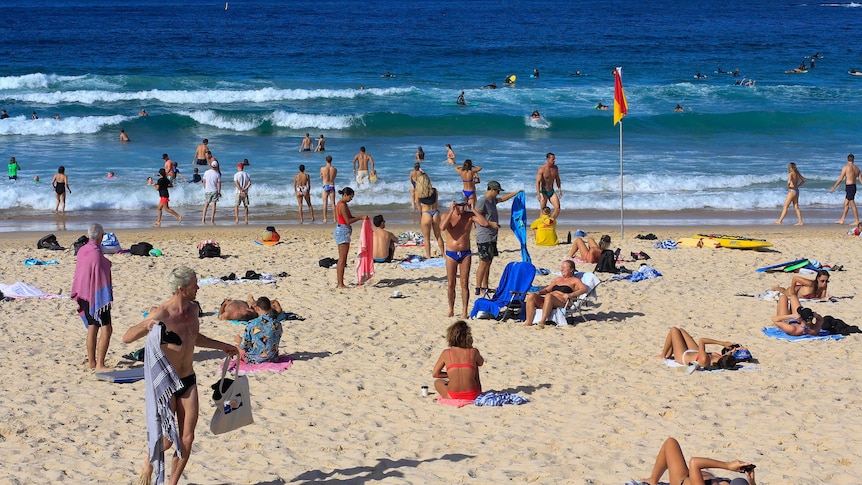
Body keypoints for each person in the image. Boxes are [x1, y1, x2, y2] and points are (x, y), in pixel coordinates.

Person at [122, 266, 238, 485]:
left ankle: (172, 483)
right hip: (167, 383)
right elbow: (126, 337)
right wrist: (146, 325)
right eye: (195, 283)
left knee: (187, 437)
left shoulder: (194, 310)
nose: (198, 286)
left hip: (188, 380)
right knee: (166, 440)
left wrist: (222, 345)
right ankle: (149, 462)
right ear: (182, 288)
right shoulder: (162, 313)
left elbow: (193, 336)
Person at [70, 223, 114, 371]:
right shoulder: (96, 253)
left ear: (88, 235)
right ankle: (100, 364)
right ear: (101, 237)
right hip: (95, 295)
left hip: (83, 292)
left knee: (92, 326)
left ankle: (91, 363)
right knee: (106, 328)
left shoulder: (82, 250)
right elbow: (103, 268)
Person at [440, 194, 491, 318]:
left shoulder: (469, 216)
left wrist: (473, 209)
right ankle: (451, 308)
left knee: (464, 283)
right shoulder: (446, 215)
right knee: (451, 283)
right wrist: (452, 211)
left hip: (465, 252)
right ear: (454, 204)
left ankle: (464, 311)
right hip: (451, 253)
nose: (462, 208)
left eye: (464, 205)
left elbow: (484, 223)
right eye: (459, 205)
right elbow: (442, 227)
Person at [634, 437, 757, 485]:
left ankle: (652, 480)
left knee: (670, 443)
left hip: (681, 479)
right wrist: (751, 481)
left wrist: (727, 466)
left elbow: (694, 462)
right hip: (698, 476)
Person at [474, 181, 523, 295]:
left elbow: (502, 199)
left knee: (489, 262)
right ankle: (478, 286)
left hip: (492, 236)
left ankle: (485, 286)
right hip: (484, 236)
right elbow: (477, 216)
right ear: (490, 189)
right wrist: (490, 224)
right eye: (496, 191)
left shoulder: (492, 201)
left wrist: (515, 193)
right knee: (483, 262)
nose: (497, 193)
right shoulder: (483, 201)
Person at [523, 260, 587, 327]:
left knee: (549, 296)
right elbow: (547, 289)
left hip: (563, 302)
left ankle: (542, 321)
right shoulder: (557, 279)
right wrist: (539, 292)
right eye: (561, 267)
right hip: (549, 300)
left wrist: (571, 295)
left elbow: (584, 289)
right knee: (531, 296)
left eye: (564, 267)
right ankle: (529, 322)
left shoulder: (575, 280)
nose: (561, 269)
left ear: (571, 270)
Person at [432, 320, 484, 400]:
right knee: (474, 365)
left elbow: (435, 374)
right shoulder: (473, 351)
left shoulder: (446, 353)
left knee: (437, 382)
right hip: (473, 394)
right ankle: (478, 391)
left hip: (453, 395)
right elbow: (481, 362)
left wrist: (451, 374)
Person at [660, 327, 744, 372]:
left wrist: (722, 343)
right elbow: (727, 355)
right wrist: (733, 350)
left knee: (674, 330)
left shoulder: (704, 360)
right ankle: (670, 353)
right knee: (681, 330)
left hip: (683, 356)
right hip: (695, 351)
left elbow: (702, 340)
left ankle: (663, 355)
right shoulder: (721, 359)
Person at [234, 296, 287, 364]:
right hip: (273, 358)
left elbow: (244, 345)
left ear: (257, 308)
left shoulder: (252, 323)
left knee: (237, 347)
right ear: (270, 308)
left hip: (255, 360)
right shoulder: (277, 323)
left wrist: (239, 340)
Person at [334, 187, 365, 288]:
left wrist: (360, 218)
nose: (351, 199)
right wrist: (360, 218)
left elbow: (349, 217)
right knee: (342, 259)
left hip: (343, 230)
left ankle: (340, 282)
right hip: (343, 231)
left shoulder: (342, 204)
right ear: (345, 195)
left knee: (343, 258)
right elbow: (348, 221)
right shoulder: (342, 205)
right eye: (350, 197)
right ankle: (340, 283)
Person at [416, 172, 445, 259]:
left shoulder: (418, 193)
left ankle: (428, 256)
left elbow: (418, 205)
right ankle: (443, 254)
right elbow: (436, 202)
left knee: (426, 237)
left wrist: (421, 214)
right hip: (435, 212)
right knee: (438, 235)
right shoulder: (434, 191)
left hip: (426, 213)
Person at [829, 153, 861, 225]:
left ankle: (857, 220)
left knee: (852, 203)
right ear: (853, 160)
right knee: (846, 203)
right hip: (853, 187)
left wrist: (834, 187)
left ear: (847, 159)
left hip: (849, 187)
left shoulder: (845, 168)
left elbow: (841, 179)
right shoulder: (857, 169)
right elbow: (861, 180)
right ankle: (842, 220)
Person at [536, 152, 563, 218]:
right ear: (548, 159)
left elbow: (557, 179)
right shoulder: (542, 169)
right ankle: (539, 226)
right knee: (543, 211)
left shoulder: (555, 168)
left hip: (551, 191)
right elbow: (537, 182)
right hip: (543, 191)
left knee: (557, 209)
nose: (554, 161)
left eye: (554, 159)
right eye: (552, 159)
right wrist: (539, 194)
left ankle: (550, 222)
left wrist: (559, 190)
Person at [320, 155, 338, 223]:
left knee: (325, 203)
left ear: (326, 161)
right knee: (333, 203)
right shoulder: (334, 169)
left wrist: (323, 176)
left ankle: (325, 219)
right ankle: (334, 219)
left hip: (325, 185)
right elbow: (334, 177)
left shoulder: (322, 168)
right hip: (331, 185)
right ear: (331, 161)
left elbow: (321, 176)